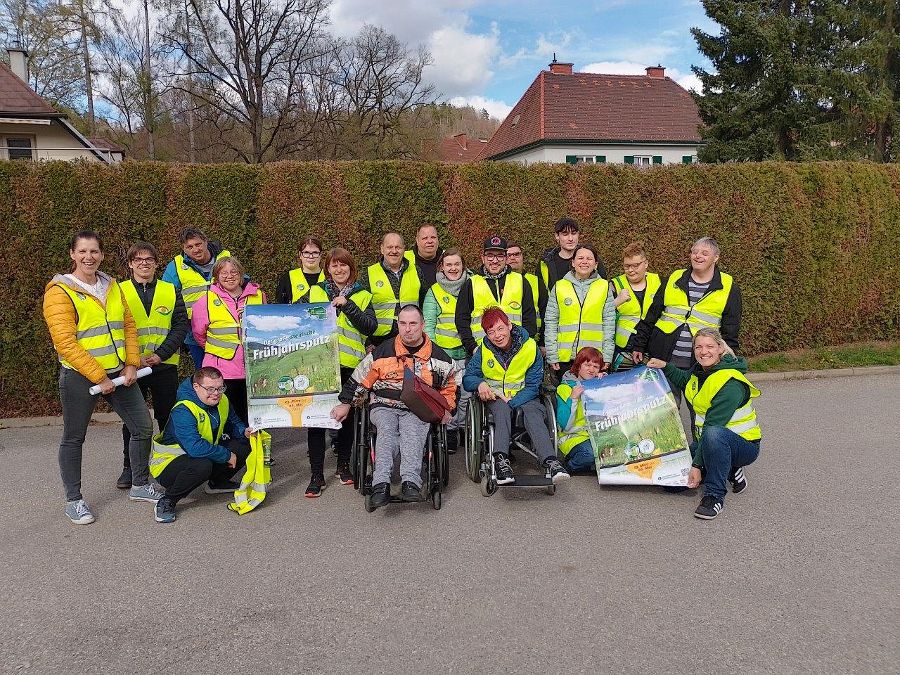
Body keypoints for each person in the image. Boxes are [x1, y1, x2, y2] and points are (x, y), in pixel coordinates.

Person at [43, 230, 160, 525]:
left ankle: (140, 484)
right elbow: (65, 342)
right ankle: (74, 500)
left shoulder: (112, 285)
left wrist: (131, 364)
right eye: (82, 251)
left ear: (102, 255)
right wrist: (98, 376)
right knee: (74, 438)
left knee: (143, 427)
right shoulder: (60, 291)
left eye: (94, 251)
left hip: (119, 372)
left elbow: (128, 326)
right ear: (72, 254)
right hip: (80, 377)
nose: (88, 257)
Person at [331, 305, 456, 508]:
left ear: (422, 325)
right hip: (383, 405)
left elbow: (451, 384)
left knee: (411, 432)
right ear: (398, 325)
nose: (408, 329)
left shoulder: (438, 357)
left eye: (413, 323)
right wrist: (346, 403)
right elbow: (359, 379)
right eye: (403, 323)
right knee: (387, 431)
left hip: (418, 408)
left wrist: (446, 409)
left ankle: (411, 482)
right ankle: (381, 484)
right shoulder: (382, 352)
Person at [647, 327, 760, 520]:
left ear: (720, 349)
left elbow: (711, 427)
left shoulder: (730, 383)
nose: (703, 351)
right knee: (670, 483)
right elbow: (684, 380)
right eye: (698, 347)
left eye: (709, 346)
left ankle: (714, 496)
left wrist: (697, 466)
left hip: (743, 446)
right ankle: (728, 468)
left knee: (714, 434)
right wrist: (665, 365)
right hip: (707, 443)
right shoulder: (699, 372)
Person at [627, 237, 742, 407]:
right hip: (665, 360)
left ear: (716, 257)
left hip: (701, 364)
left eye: (704, 253)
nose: (698, 256)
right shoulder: (675, 278)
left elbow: (731, 329)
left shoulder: (728, 286)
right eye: (694, 252)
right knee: (666, 414)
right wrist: (639, 345)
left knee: (701, 411)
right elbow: (652, 315)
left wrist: (728, 361)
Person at [463, 308, 569, 485]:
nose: (497, 335)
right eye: (491, 332)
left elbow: (534, 385)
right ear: (487, 335)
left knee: (534, 412)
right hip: (496, 398)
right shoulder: (484, 350)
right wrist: (480, 384)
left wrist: (513, 401)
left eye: (500, 329)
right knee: (501, 409)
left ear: (509, 326)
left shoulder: (530, 348)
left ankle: (551, 461)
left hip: (525, 395)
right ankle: (501, 461)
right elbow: (468, 377)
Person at [303, 248, 378, 497]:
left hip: (350, 365)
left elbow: (370, 327)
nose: (339, 270)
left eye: (343, 265)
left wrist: (349, 306)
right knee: (315, 421)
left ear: (351, 268)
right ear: (328, 269)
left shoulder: (363, 295)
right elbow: (296, 318)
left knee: (347, 419)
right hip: (320, 365)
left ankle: (343, 465)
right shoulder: (315, 292)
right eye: (334, 266)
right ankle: (316, 475)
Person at [117, 241, 189, 490]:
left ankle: (168, 464)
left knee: (166, 418)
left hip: (163, 365)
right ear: (130, 264)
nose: (144, 263)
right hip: (132, 367)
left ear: (156, 263)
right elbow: (114, 328)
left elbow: (181, 325)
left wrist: (160, 354)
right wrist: (132, 359)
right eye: (138, 260)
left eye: (148, 259)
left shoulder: (170, 290)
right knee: (132, 422)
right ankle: (131, 468)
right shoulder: (119, 291)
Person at [150, 367, 255, 523]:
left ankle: (217, 483)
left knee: (245, 443)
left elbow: (234, 423)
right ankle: (168, 500)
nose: (216, 393)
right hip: (167, 464)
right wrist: (226, 455)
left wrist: (244, 431)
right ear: (196, 387)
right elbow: (195, 447)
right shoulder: (183, 409)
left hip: (197, 454)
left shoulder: (222, 399)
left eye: (220, 388)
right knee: (202, 465)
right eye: (210, 389)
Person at [190, 256, 265, 426]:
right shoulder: (206, 300)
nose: (229, 276)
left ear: (241, 274)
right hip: (221, 370)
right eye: (224, 273)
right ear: (216, 276)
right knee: (226, 418)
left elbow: (266, 328)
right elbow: (199, 334)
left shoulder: (259, 296)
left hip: (253, 367)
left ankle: (255, 451)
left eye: (234, 272)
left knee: (253, 417)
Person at [454, 236, 537, 356]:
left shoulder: (521, 281)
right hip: (482, 352)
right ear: (483, 258)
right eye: (490, 255)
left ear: (506, 258)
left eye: (499, 255)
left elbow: (529, 319)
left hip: (517, 352)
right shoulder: (471, 284)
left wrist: (523, 345)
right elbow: (461, 320)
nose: (494, 260)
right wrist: (472, 348)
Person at [422, 248, 471, 452]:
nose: (453, 268)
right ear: (442, 266)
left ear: (463, 266)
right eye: (448, 264)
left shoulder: (473, 286)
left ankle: (463, 426)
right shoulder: (434, 291)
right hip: (444, 354)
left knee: (468, 394)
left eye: (456, 264)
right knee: (448, 395)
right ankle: (450, 430)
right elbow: (429, 325)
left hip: (468, 350)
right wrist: (435, 353)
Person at [162, 228, 230, 369]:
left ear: (206, 241)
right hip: (194, 332)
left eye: (198, 244)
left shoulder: (225, 258)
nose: (195, 250)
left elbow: (242, 282)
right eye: (190, 247)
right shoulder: (175, 266)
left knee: (231, 373)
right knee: (205, 372)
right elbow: (166, 298)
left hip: (226, 329)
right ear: (184, 249)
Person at [544, 244, 615, 380]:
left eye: (589, 258)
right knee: (567, 396)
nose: (584, 261)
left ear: (595, 264)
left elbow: (609, 323)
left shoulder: (604, 287)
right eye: (580, 258)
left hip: (592, 359)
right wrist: (552, 354)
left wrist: (607, 355)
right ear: (573, 262)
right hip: (565, 357)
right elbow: (551, 322)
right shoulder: (559, 286)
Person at [537, 217, 607, 322]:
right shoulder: (545, 263)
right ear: (557, 236)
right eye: (565, 234)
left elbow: (602, 290)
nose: (570, 238)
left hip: (587, 319)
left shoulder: (591, 260)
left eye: (574, 233)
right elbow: (542, 297)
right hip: (556, 319)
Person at [360, 232, 422, 346]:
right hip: (379, 341)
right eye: (389, 247)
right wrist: (367, 343)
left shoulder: (417, 271)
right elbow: (362, 310)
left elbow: (424, 304)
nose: (394, 251)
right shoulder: (368, 274)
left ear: (404, 249)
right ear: (382, 249)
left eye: (398, 247)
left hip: (411, 338)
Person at [610, 242, 661, 372]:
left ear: (646, 264)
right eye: (627, 266)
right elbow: (601, 315)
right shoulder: (614, 284)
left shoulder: (659, 281)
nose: (631, 270)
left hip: (652, 346)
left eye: (636, 265)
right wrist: (617, 301)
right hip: (623, 349)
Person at [556, 347, 607, 474]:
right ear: (578, 366)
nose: (591, 369)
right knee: (589, 455)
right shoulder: (565, 388)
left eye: (596, 366)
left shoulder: (598, 386)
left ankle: (592, 465)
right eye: (587, 365)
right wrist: (573, 398)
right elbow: (565, 425)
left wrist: (607, 383)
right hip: (572, 437)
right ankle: (568, 467)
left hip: (596, 435)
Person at [275, 236, 326, 303]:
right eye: (306, 253)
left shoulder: (329, 277)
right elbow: (281, 308)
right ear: (300, 255)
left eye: (315, 253)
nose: (311, 256)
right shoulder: (288, 278)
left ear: (320, 255)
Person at [506, 240, 541, 333]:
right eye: (508, 255)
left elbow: (546, 312)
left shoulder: (536, 281)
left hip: (534, 337)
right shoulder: (499, 282)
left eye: (516, 254)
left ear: (522, 257)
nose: (513, 258)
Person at [404, 224, 444, 303]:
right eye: (425, 238)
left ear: (438, 240)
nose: (429, 241)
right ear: (417, 241)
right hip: (412, 312)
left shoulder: (448, 258)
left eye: (433, 237)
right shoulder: (404, 258)